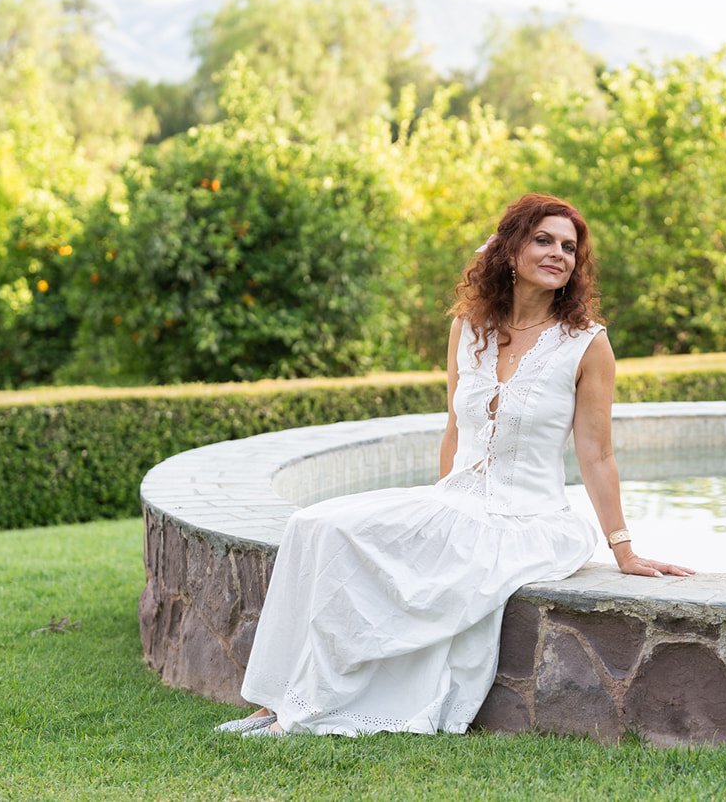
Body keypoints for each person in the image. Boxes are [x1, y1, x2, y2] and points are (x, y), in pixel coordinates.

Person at [217, 193, 692, 737]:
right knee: (312, 526)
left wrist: (623, 548)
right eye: (543, 240)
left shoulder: (587, 345)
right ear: (510, 249)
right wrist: (434, 508)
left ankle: (311, 704)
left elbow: (598, 454)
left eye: (569, 246)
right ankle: (279, 697)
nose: (559, 253)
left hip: (528, 520)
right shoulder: (470, 327)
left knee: (364, 546)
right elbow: (454, 426)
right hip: (457, 499)